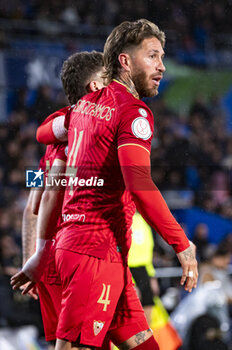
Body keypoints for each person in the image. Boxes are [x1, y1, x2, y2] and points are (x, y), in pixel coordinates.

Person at [11, 19, 198, 350]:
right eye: (153, 56)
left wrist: (39, 253)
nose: (162, 66)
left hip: (84, 251)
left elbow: (43, 171)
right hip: (94, 253)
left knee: (143, 343)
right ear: (124, 62)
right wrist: (181, 243)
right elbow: (138, 182)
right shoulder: (132, 112)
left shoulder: (77, 113)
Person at [16, 51, 105, 345]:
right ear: (95, 86)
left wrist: (33, 260)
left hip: (51, 262)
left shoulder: (54, 140)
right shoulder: (86, 138)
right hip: (81, 257)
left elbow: (32, 206)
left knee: (65, 342)